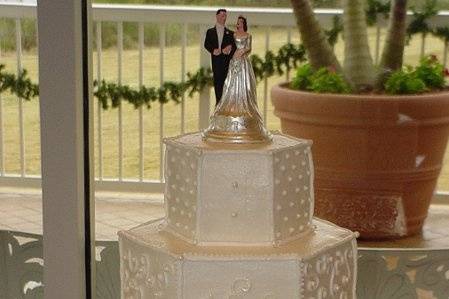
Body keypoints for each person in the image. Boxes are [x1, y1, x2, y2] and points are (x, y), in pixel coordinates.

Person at [202, 15, 271, 144]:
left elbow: (249, 47)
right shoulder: (233, 35)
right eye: (237, 22)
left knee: (244, 84)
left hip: (243, 62)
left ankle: (244, 107)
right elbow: (229, 45)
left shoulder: (248, 35)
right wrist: (230, 50)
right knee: (231, 84)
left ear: (244, 23)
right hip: (234, 61)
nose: (238, 24)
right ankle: (231, 106)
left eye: (240, 22)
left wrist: (243, 51)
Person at [204, 9, 236, 105]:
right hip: (216, 63)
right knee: (217, 83)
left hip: (226, 63)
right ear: (217, 16)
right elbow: (206, 44)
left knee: (226, 84)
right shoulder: (210, 32)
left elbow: (234, 46)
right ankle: (218, 104)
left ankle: (225, 104)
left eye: (225, 16)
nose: (224, 18)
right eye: (222, 15)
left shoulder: (230, 33)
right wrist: (213, 50)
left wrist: (229, 49)